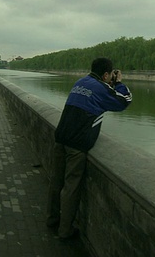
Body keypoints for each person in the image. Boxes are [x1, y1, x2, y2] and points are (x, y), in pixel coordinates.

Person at [46, 58, 132, 239]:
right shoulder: (102, 87)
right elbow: (124, 101)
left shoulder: (80, 82)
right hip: (77, 144)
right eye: (110, 76)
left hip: (61, 137)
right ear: (106, 75)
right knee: (71, 187)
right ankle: (65, 231)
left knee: (56, 181)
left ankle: (52, 219)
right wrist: (119, 83)